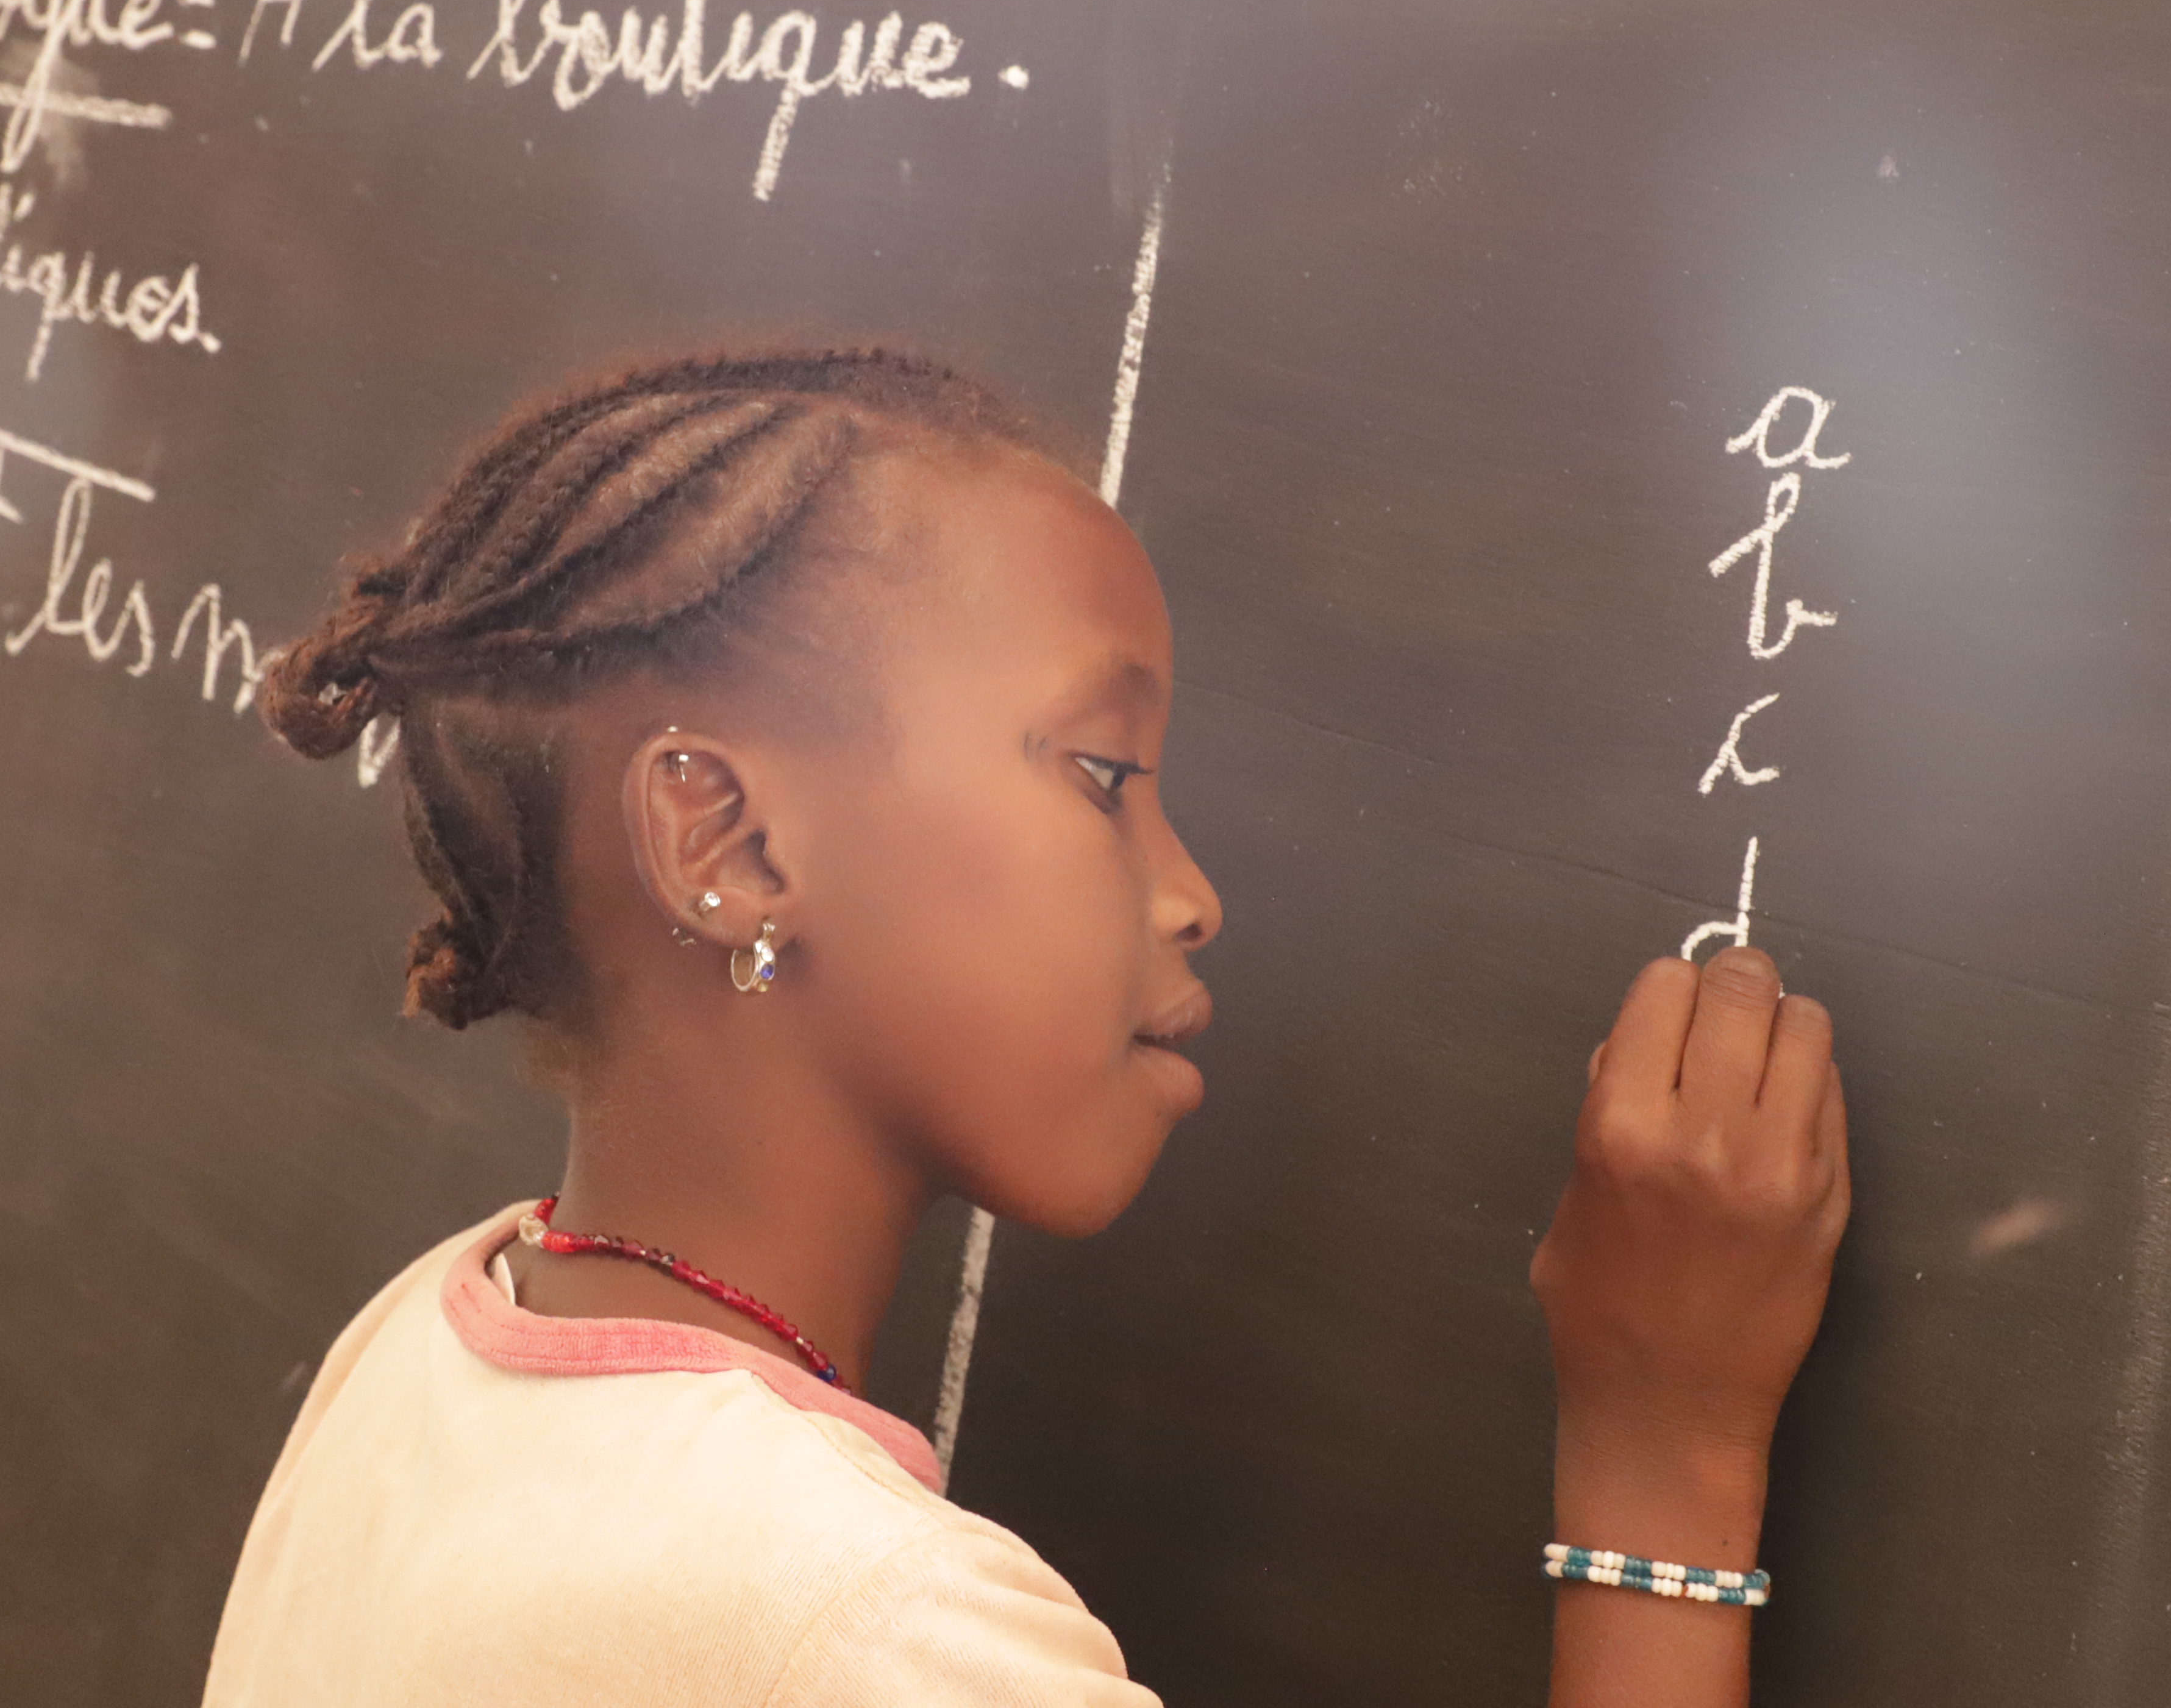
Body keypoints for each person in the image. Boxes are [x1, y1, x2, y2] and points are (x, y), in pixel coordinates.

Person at [200, 349, 1850, 1707]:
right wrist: (1666, 1473)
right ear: (735, 849)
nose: (1189, 892)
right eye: (1104, 778)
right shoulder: (866, 1632)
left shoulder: (419, 1343)